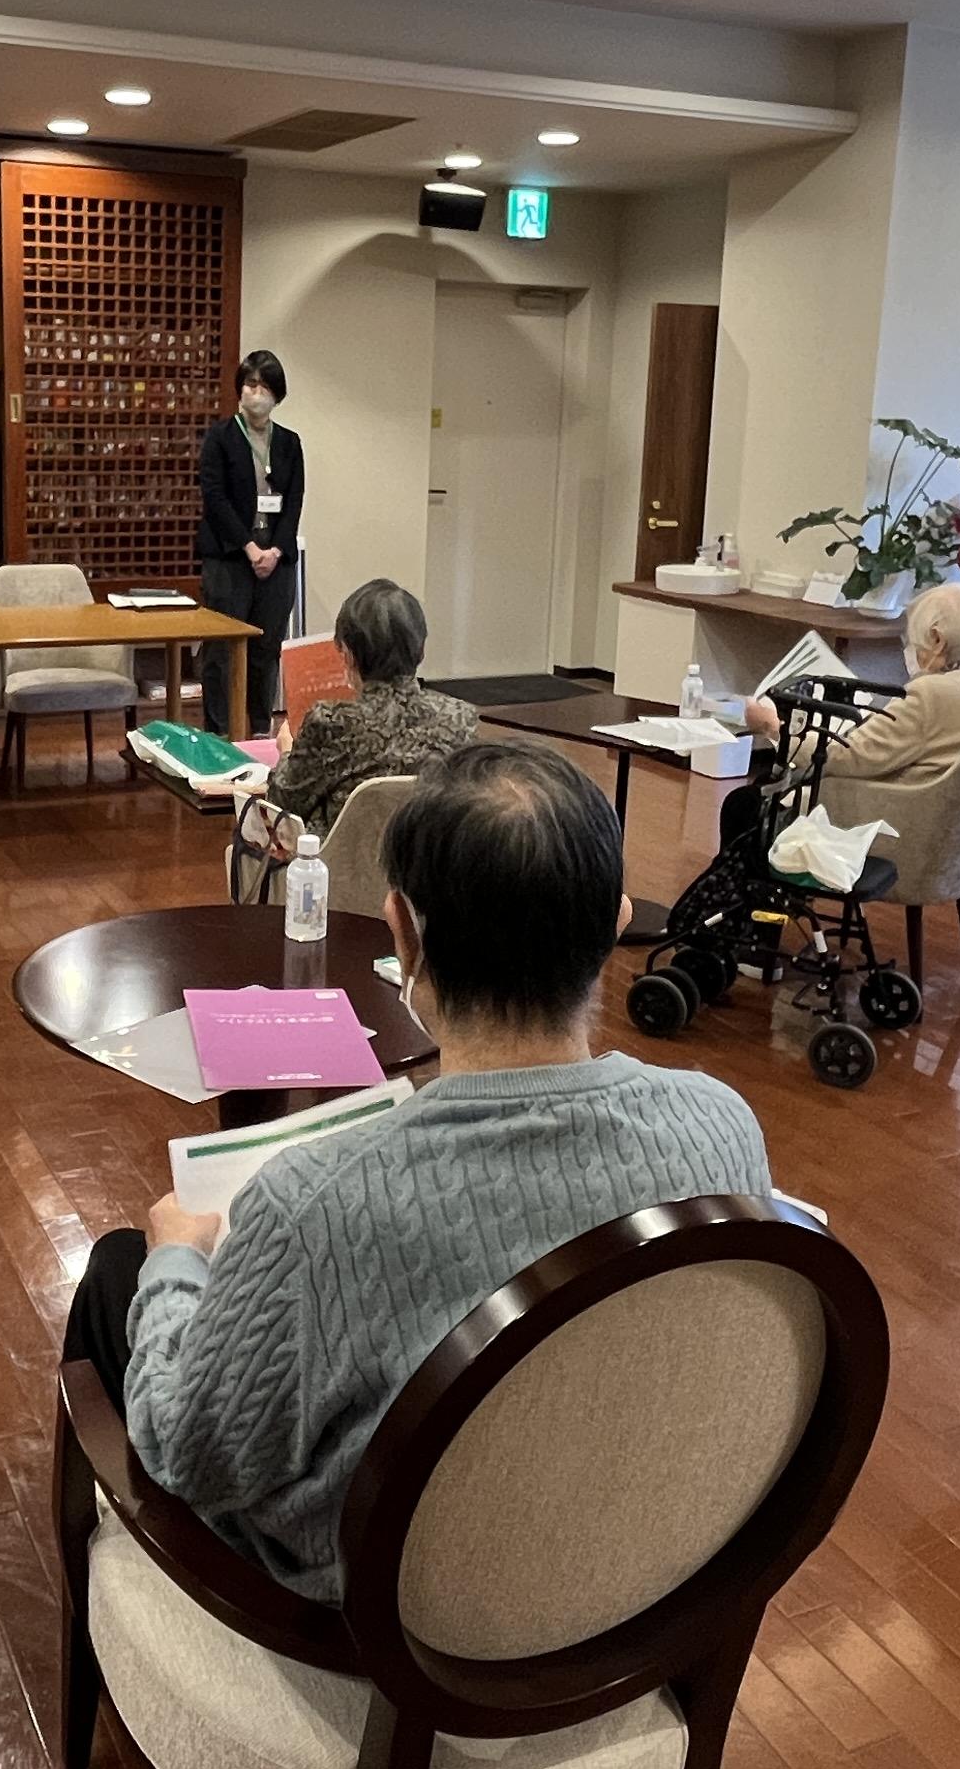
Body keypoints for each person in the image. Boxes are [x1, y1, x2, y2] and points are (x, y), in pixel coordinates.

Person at [58, 745, 768, 1598]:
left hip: (381, 1617)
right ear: (615, 921)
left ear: (403, 932)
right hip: (627, 1575)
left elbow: (193, 1456)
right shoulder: (724, 1129)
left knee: (122, 1267)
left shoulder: (314, 1207)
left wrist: (176, 1260)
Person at [238, 574, 477, 860]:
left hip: (339, 871)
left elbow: (284, 801)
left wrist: (286, 749)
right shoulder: (460, 718)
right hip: (426, 871)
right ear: (421, 650)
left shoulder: (332, 721)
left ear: (348, 655)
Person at [744, 579, 960, 784]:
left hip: (883, 810)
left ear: (937, 639)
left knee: (752, 800)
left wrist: (773, 726)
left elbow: (845, 757)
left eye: (912, 639)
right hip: (943, 811)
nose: (911, 649)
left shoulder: (930, 694)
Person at [195, 348, 305, 735]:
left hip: (276, 559)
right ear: (240, 389)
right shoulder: (220, 438)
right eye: (250, 384)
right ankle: (219, 732)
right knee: (222, 650)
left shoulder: (289, 442)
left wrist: (275, 550)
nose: (256, 393)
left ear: (278, 394)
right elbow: (215, 498)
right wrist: (250, 547)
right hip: (230, 557)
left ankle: (260, 728)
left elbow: (294, 500)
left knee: (266, 647)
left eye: (264, 386)